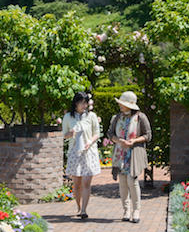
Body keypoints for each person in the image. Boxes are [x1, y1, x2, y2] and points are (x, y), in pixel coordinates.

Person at [106, 91, 152, 223]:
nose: (120, 105)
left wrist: (134, 141)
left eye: (122, 103)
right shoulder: (117, 118)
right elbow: (110, 134)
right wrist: (118, 141)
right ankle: (126, 210)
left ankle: (136, 210)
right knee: (122, 183)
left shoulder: (140, 117)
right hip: (120, 154)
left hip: (133, 154)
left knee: (132, 181)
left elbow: (148, 135)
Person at [61, 91, 101, 219]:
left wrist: (90, 142)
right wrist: (71, 133)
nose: (84, 106)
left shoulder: (92, 116)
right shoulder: (68, 117)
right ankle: (78, 207)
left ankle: (84, 210)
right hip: (75, 152)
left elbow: (97, 133)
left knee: (86, 182)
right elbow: (64, 135)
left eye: (86, 103)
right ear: (76, 103)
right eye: (82, 103)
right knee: (77, 184)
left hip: (89, 152)